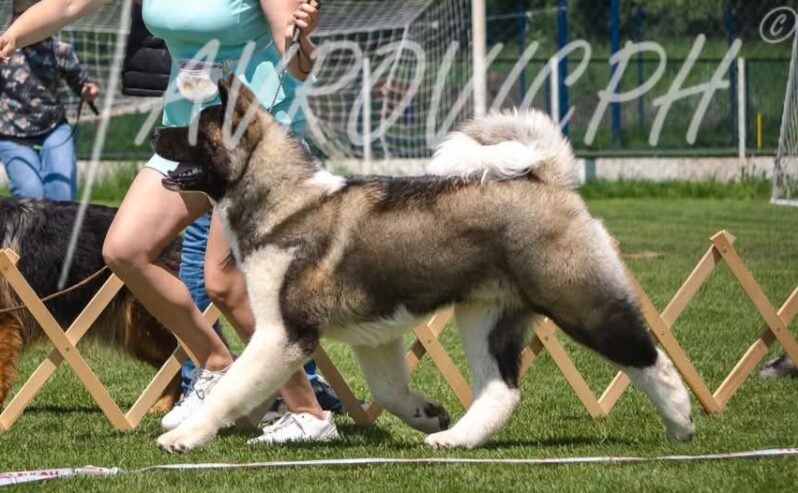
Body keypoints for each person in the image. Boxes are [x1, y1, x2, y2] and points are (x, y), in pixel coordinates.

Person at [1, 0, 339, 444]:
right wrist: (9, 38)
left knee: (223, 282)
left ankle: (308, 413)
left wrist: (303, 39)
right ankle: (216, 366)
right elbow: (67, 4)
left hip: (251, 141)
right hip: (188, 134)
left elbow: (296, 63)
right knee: (124, 249)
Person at [0, 0, 99, 201]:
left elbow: (79, 81)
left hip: (53, 128)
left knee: (61, 195)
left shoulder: (59, 49)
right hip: (12, 134)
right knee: (29, 195)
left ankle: (62, 233)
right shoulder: (4, 50)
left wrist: (87, 90)